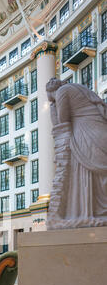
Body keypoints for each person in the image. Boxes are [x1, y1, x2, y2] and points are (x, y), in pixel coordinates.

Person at [46, 77, 107, 228]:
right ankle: (99, 210)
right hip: (99, 129)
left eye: (50, 98)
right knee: (100, 174)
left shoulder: (62, 92)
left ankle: (91, 212)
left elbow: (63, 120)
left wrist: (53, 106)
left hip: (85, 132)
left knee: (94, 170)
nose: (51, 101)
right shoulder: (77, 88)